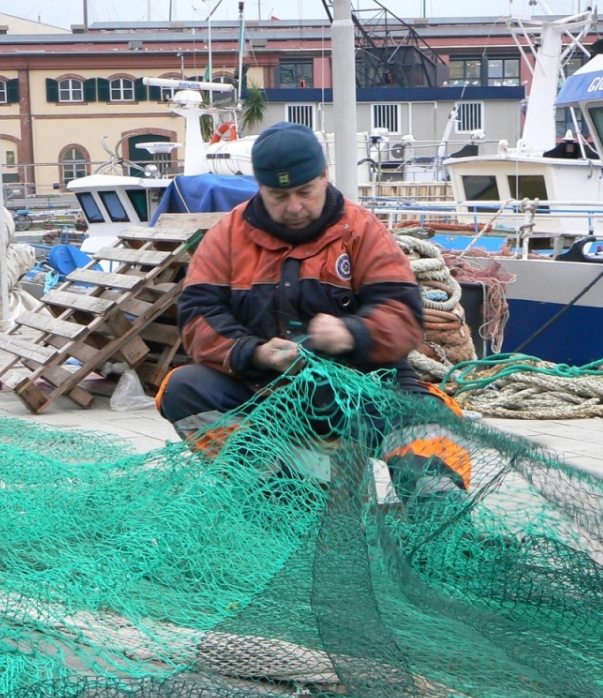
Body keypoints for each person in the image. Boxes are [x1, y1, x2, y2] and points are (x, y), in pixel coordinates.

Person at [157, 121, 470, 496]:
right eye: (278, 196)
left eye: (305, 192)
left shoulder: (362, 230)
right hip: (266, 389)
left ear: (324, 176)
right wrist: (253, 353)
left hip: (364, 390)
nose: (294, 207)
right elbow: (197, 317)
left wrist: (352, 333)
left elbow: (403, 317)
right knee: (183, 388)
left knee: (430, 430)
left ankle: (436, 524)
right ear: (260, 187)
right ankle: (277, 496)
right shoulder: (226, 235)